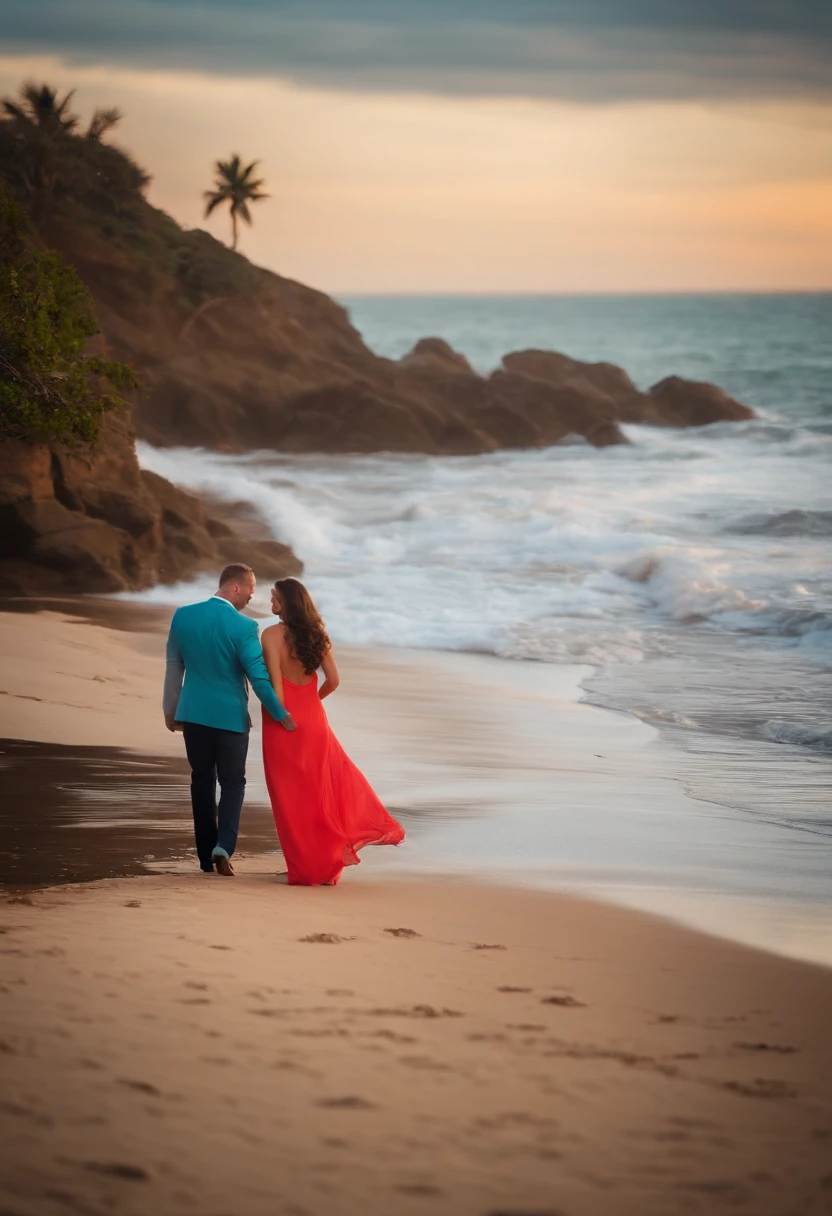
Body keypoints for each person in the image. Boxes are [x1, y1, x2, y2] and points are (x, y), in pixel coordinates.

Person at [261, 577, 404, 885]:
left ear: (288, 602)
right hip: (315, 722)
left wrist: (285, 717)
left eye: (274, 598)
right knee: (318, 794)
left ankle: (304, 868)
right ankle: (328, 867)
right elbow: (334, 681)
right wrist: (311, 702)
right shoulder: (319, 636)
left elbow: (276, 687)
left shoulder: (270, 635)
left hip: (282, 724)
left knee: (290, 799)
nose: (270, 602)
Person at [163, 563, 296, 876]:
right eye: (251, 589)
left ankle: (204, 857)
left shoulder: (183, 616)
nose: (253, 596)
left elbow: (174, 668)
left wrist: (170, 710)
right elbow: (259, 678)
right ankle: (224, 847)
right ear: (235, 587)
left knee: (201, 781)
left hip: (193, 715)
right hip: (231, 719)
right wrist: (282, 715)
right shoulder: (245, 627)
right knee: (233, 782)